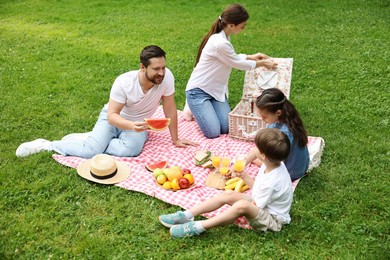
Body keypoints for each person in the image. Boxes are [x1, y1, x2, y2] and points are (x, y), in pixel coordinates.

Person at [16, 45, 197, 159]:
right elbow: (111, 116)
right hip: (115, 119)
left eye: (163, 67)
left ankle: (94, 140)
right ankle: (47, 144)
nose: (162, 73)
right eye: (156, 69)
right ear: (142, 67)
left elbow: (170, 109)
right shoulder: (124, 82)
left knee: (131, 151)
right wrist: (131, 126)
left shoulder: (167, 77)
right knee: (89, 153)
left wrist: (175, 139)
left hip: (140, 125)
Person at [159, 128, 293, 238]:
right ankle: (187, 215)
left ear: (263, 155)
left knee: (241, 206)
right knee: (228, 194)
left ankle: (199, 226)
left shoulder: (272, 181)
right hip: (264, 205)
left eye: (257, 147)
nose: (254, 148)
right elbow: (258, 190)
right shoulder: (273, 163)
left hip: (273, 220)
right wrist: (243, 174)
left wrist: (243, 182)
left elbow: (254, 204)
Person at [184, 3, 278, 138]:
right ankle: (193, 107)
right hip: (198, 91)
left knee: (227, 127)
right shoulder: (220, 42)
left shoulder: (223, 37)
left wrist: (251, 56)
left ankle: (207, 108)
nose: (243, 28)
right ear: (232, 25)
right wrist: (262, 63)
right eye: (242, 25)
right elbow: (237, 63)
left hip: (216, 91)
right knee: (213, 132)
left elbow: (230, 58)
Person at [245, 88, 310, 181]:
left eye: (264, 117)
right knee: (253, 155)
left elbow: (274, 161)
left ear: (278, 112)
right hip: (299, 166)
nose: (262, 119)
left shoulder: (284, 133)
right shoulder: (286, 119)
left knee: (256, 156)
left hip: (290, 172)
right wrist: (245, 162)